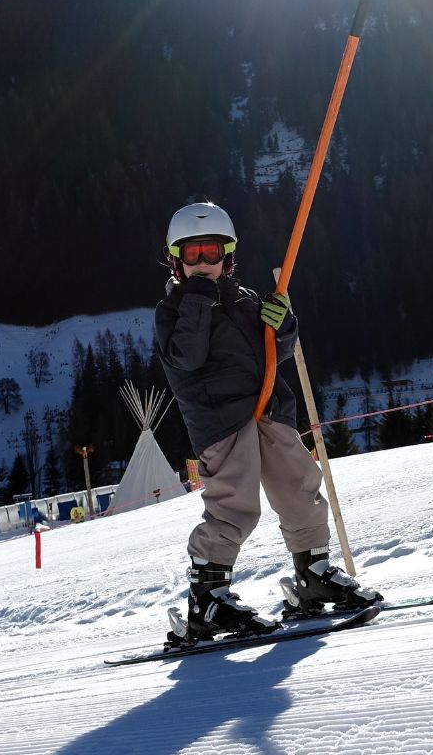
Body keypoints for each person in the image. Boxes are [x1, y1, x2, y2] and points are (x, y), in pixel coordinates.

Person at [154, 201, 380, 640]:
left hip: (269, 408)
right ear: (176, 261)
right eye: (192, 254)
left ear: (229, 256)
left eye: (212, 253)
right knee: (235, 504)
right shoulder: (173, 311)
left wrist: (284, 325)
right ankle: (208, 599)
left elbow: (278, 347)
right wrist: (199, 300)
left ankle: (312, 574)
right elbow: (185, 356)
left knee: (300, 486)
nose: (203, 263)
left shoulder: (246, 298)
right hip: (221, 419)